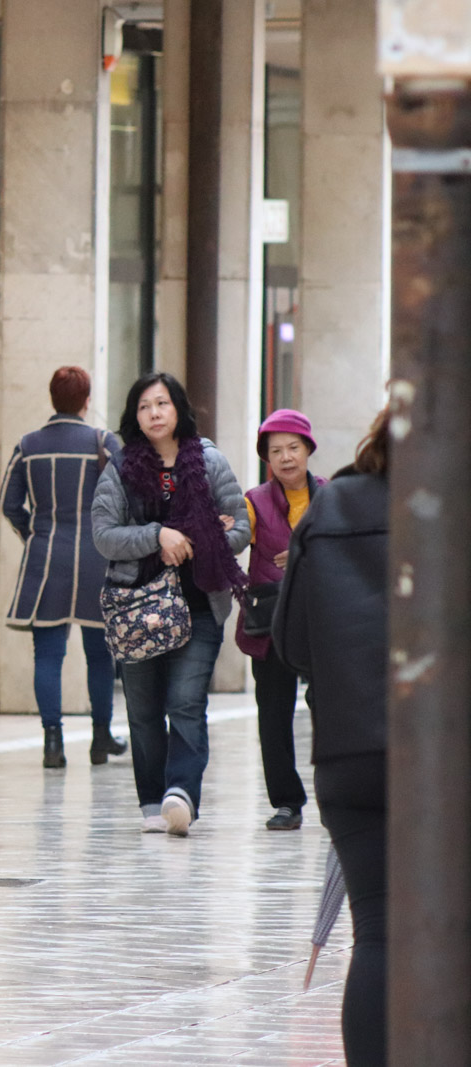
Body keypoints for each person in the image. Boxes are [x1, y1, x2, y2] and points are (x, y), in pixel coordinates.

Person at [273, 408, 389, 1066]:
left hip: (352, 753)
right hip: (443, 757)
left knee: (377, 933)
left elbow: (291, 642)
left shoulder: (332, 504)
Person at [91, 372, 249, 836]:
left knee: (185, 701)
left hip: (199, 604)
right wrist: (157, 536)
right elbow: (104, 535)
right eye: (144, 406)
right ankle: (151, 800)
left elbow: (241, 528)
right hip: (136, 607)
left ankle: (180, 793)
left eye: (161, 403)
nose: (154, 413)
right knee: (142, 711)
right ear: (134, 416)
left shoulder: (210, 461)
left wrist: (194, 540)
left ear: (178, 408)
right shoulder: (120, 468)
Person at [0, 366, 127, 769]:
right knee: (100, 654)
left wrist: (33, 533)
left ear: (52, 398)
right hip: (97, 557)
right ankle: (100, 737)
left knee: (48, 655)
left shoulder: (28, 445)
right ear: (86, 401)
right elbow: (129, 494)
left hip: (46, 556)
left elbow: (8, 504)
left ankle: (52, 742)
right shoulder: (104, 442)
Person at [237, 409, 325, 831]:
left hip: (321, 621)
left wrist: (307, 552)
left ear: (308, 449)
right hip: (270, 622)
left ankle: (335, 795)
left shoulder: (331, 498)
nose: (286, 457)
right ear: (266, 459)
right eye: (276, 451)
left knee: (329, 711)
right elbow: (232, 542)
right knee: (273, 715)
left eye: (293, 447)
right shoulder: (253, 502)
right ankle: (287, 802)